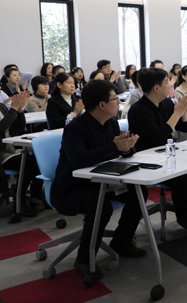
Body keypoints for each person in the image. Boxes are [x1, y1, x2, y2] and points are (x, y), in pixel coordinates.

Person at [51, 80, 147, 284]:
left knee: (138, 192)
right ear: (102, 105)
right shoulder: (75, 128)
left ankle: (121, 242)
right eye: (114, 99)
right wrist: (115, 147)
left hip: (103, 181)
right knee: (100, 206)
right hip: (72, 188)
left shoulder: (111, 123)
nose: (118, 103)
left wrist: (127, 147)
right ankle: (84, 260)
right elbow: (80, 160)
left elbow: (116, 153)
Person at [127, 68, 187, 237]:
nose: (170, 85)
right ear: (156, 88)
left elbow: (184, 128)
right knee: (179, 174)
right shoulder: (138, 110)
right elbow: (157, 137)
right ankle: (185, 217)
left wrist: (184, 113)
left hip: (169, 155)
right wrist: (177, 113)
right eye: (167, 82)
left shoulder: (166, 103)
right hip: (149, 161)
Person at [1, 90, 43, 218]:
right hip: (2, 156)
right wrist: (13, 109)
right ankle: (20, 200)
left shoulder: (1, 107)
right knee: (30, 164)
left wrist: (19, 111)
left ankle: (36, 197)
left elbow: (19, 126)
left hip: (11, 151)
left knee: (40, 159)